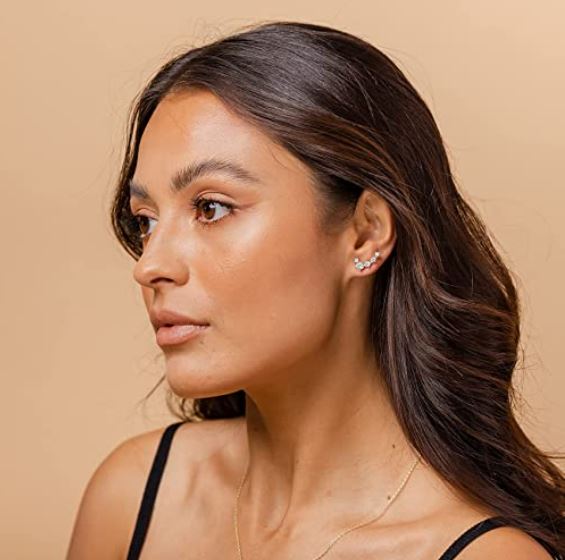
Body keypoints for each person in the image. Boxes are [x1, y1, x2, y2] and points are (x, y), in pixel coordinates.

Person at [66, 20, 564, 559]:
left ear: (365, 233)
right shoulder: (135, 496)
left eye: (211, 208)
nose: (150, 266)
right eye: (145, 220)